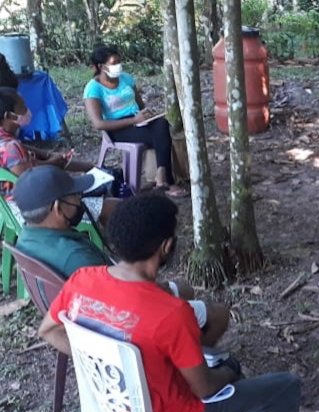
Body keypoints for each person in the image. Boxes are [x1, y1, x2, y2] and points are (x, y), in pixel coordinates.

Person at [36, 194, 319, 412]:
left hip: (115, 411)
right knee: (285, 384)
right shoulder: (171, 313)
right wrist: (230, 370)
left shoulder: (81, 280)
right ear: (166, 246)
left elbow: (47, 331)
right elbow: (206, 389)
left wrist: (105, 363)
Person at [13, 165, 229, 347]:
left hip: (86, 314)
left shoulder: (26, 237)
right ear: (59, 208)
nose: (80, 201)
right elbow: (123, 295)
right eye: (76, 197)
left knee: (184, 288)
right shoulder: (76, 258)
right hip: (124, 320)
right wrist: (159, 292)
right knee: (218, 314)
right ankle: (185, 365)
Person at [0, 88, 117, 225]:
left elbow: (26, 162)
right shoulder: (11, 147)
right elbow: (29, 182)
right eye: (23, 107)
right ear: (9, 116)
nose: (27, 110)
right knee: (113, 206)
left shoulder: (7, 142)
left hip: (7, 209)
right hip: (35, 212)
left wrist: (47, 158)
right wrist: (53, 164)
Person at [84, 45, 185, 197]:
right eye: (113, 63)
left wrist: (147, 114)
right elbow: (98, 124)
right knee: (160, 134)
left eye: (119, 61)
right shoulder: (93, 88)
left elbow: (140, 105)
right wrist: (133, 121)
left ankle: (161, 175)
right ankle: (165, 181)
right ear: (100, 66)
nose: (118, 66)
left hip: (138, 120)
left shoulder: (126, 78)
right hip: (117, 128)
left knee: (162, 123)